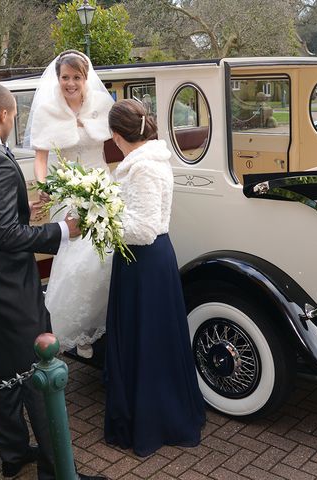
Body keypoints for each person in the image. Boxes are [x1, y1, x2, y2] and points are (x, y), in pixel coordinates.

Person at [0, 83, 104, 480]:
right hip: (8, 287)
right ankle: (57, 469)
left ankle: (13, 454)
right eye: (13, 116)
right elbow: (7, 236)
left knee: (1, 373)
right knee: (37, 373)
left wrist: (22, 206)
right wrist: (63, 230)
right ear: (4, 115)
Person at [104, 99, 206, 456]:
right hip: (150, 260)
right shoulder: (151, 160)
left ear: (117, 135)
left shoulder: (143, 167)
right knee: (155, 338)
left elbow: (144, 228)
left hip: (144, 261)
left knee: (147, 340)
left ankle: (151, 422)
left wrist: (103, 220)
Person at [25, 49, 114, 359]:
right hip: (68, 192)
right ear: (58, 78)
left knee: (106, 258)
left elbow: (122, 137)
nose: (71, 83)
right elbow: (40, 158)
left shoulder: (101, 105)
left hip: (101, 185)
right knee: (78, 260)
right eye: (66, 77)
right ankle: (79, 331)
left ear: (86, 78)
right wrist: (45, 187)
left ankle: (103, 319)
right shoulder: (48, 110)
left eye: (77, 77)